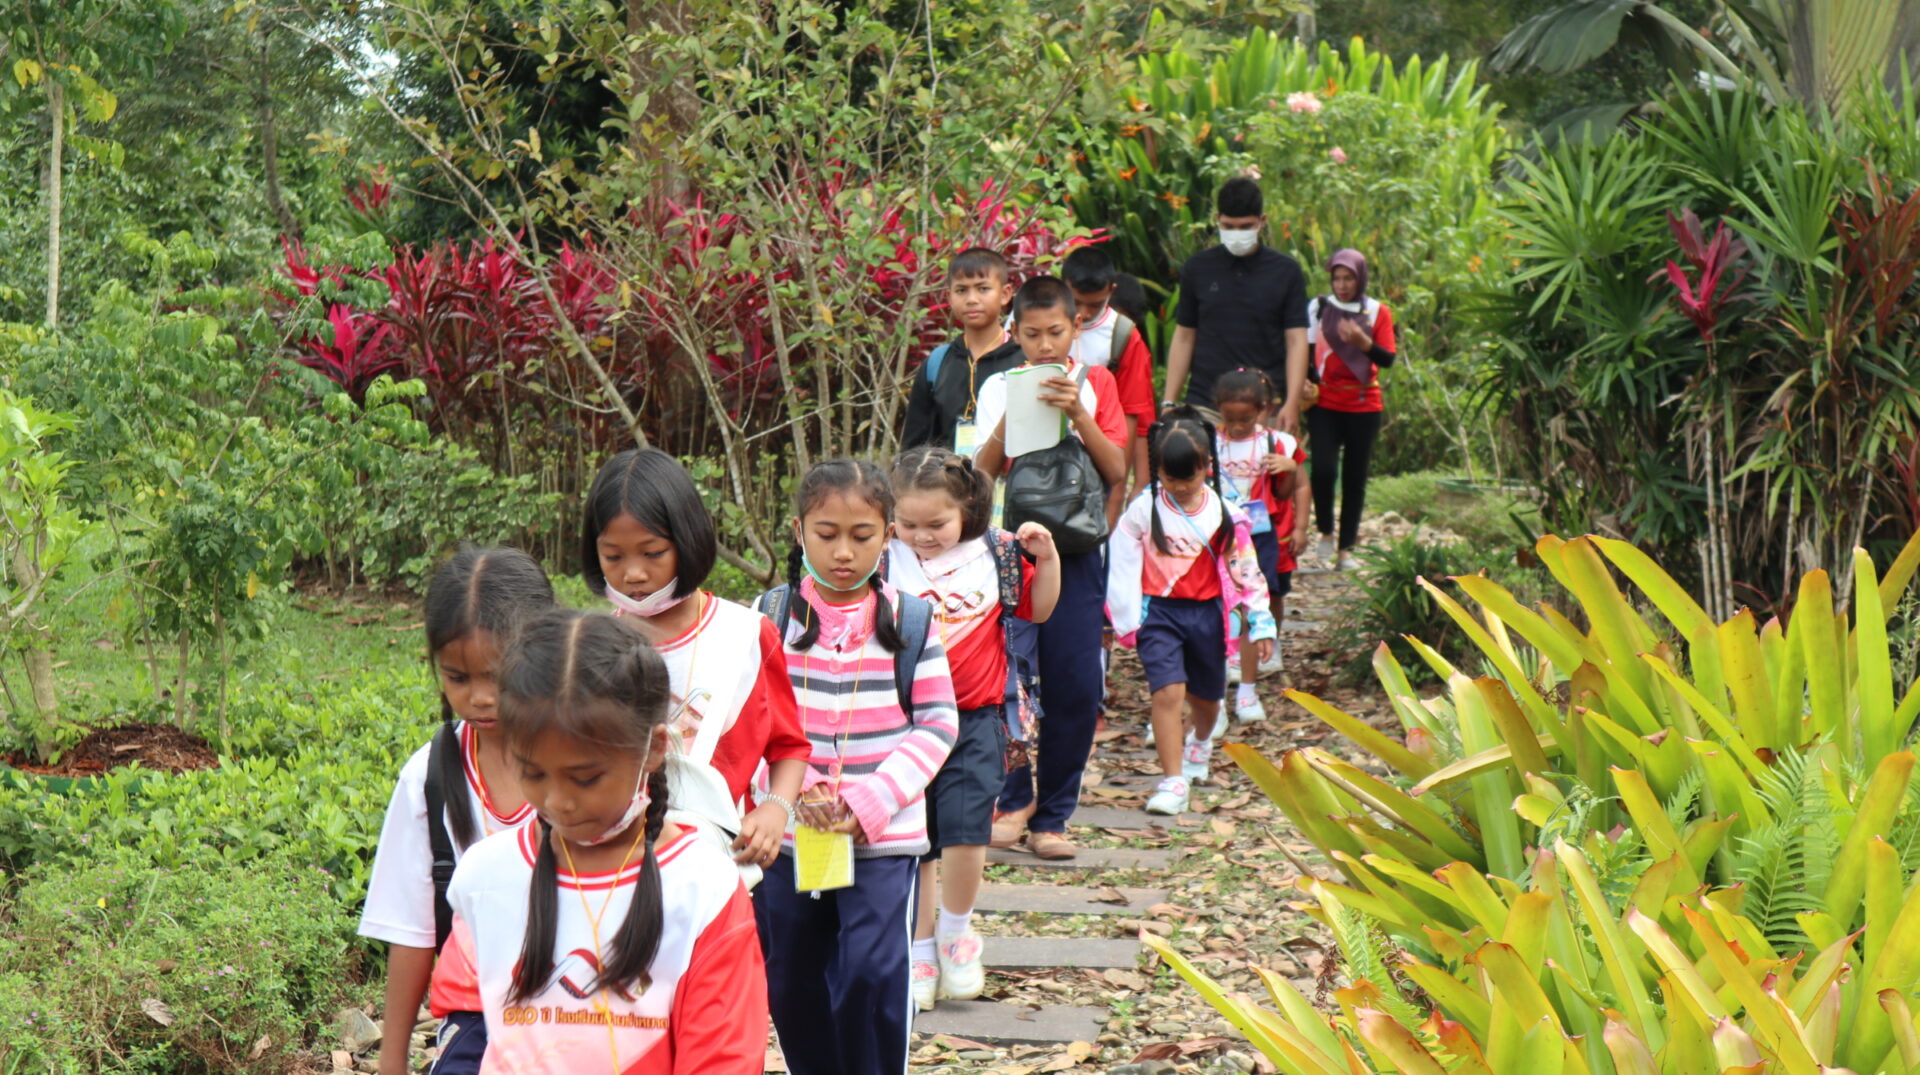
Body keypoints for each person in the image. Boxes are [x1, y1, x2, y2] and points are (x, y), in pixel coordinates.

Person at [436, 609, 768, 1074]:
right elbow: (467, 1026)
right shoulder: (485, 878)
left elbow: (722, 1057)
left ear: (652, 750)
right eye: (533, 773)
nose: (558, 802)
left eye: (585, 778)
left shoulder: (703, 889)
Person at [755, 459, 959, 1075]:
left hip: (883, 840)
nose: (844, 551)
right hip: (790, 837)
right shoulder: (768, 617)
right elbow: (752, 721)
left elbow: (939, 724)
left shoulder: (914, 621)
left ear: (888, 533)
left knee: (871, 972)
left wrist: (869, 803)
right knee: (790, 977)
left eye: (862, 536)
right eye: (826, 533)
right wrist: (799, 790)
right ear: (798, 531)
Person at [360, 547, 555, 1075]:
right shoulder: (429, 780)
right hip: (476, 1020)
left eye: (499, 675)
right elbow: (412, 932)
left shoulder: (590, 767)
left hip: (589, 1010)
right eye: (459, 678)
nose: (482, 698)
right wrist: (392, 1059)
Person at [886, 446, 1060, 1011]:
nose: (921, 534)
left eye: (936, 523)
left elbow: (1037, 610)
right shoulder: (883, 556)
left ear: (968, 509)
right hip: (901, 722)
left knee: (965, 833)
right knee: (915, 842)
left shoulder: (998, 552)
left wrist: (1049, 558)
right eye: (907, 523)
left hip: (974, 717)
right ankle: (917, 949)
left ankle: (956, 932)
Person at [582, 448, 811, 876]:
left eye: (652, 553)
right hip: (616, 866)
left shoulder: (745, 635)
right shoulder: (590, 647)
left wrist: (775, 810)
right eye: (614, 556)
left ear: (687, 540)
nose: (633, 573)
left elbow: (790, 746)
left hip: (720, 868)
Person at [973, 276, 1130, 860]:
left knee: (1075, 683)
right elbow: (976, 480)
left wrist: (1079, 413)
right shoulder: (997, 387)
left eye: (1056, 332)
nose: (1044, 346)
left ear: (1076, 330)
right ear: (1014, 332)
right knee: (1005, 679)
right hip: (1011, 550)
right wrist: (1008, 425)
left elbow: (1116, 471)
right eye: (1032, 334)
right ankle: (1013, 802)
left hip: (1079, 552)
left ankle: (1055, 815)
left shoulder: (1100, 383)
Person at [1108, 408, 1276, 817]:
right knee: (1167, 692)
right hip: (1159, 615)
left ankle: (1200, 742)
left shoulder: (1227, 514)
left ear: (1207, 467)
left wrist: (1260, 621)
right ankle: (1173, 779)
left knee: (1209, 701)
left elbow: (1247, 569)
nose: (1180, 487)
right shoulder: (1142, 511)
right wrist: (1125, 619)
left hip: (1209, 616)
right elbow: (1120, 562)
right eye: (1170, 478)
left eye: (1190, 477)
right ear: (1157, 472)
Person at [1160, 177, 1310, 428]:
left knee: (1273, 466)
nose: (1237, 234)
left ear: (1262, 222)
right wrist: (1168, 402)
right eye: (1228, 226)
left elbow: (1296, 341)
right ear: (1217, 219)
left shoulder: (1286, 271)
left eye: (1245, 226)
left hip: (1263, 407)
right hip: (1205, 404)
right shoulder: (1197, 268)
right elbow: (1185, 336)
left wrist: (1291, 403)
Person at [1213, 369, 1309, 723]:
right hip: (1220, 532)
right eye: (1230, 418)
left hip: (1262, 533)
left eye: (1246, 419)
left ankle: (1261, 649)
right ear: (1218, 410)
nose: (1238, 426)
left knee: (1262, 594)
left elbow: (1298, 487)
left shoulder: (1280, 443)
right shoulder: (1210, 441)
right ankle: (1232, 656)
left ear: (1263, 411)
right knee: (1224, 599)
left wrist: (1289, 471)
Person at [1305, 249, 1397, 571]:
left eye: (1349, 278)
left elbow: (1387, 359)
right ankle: (1326, 532)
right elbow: (1307, 352)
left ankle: (1346, 549)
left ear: (1361, 278)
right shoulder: (1318, 308)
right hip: (1324, 402)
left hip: (1363, 403)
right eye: (1337, 278)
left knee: (1355, 477)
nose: (1342, 285)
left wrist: (1364, 344)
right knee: (1324, 470)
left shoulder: (1376, 312)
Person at [901, 247, 1026, 454]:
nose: (972, 299)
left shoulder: (1024, 360)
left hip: (1011, 482)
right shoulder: (938, 363)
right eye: (961, 290)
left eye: (983, 288)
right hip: (949, 482)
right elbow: (914, 446)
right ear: (949, 297)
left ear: (1005, 294)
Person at [1062, 245, 1155, 508]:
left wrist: (1117, 492)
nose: (1085, 313)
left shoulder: (1123, 336)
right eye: (1076, 302)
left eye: (1095, 304)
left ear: (1111, 291)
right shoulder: (1038, 317)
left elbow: (1131, 414)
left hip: (1098, 452)